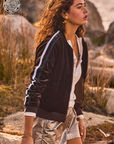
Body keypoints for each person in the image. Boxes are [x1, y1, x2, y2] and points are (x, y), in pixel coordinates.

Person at [21, 0, 88, 143]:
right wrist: (27, 135)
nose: (85, 10)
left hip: (69, 116)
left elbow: (77, 85)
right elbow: (36, 85)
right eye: (79, 6)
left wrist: (79, 115)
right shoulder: (53, 43)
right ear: (64, 13)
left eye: (85, 6)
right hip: (48, 121)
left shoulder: (82, 44)